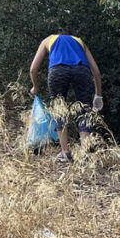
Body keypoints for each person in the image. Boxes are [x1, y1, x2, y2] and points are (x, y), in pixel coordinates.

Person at [28, 32, 104, 162]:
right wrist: (98, 95)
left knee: (59, 109)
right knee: (84, 110)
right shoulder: (80, 41)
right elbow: (96, 72)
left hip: (58, 70)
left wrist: (35, 87)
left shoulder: (48, 40)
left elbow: (33, 69)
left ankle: (65, 152)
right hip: (82, 71)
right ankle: (85, 153)